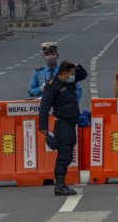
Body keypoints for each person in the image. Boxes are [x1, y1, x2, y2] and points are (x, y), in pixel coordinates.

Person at [38, 60, 87, 196]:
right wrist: (43, 127)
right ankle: (59, 185)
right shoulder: (52, 86)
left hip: (71, 125)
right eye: (71, 73)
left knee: (69, 156)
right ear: (64, 73)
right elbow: (44, 107)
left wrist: (76, 66)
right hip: (62, 125)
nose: (73, 76)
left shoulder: (68, 81)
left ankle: (61, 184)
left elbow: (83, 75)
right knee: (64, 156)